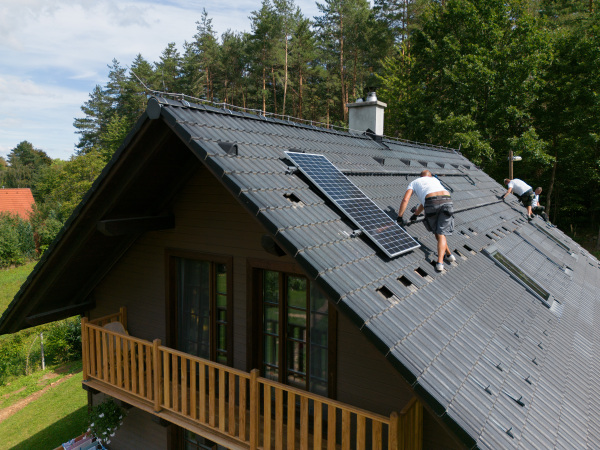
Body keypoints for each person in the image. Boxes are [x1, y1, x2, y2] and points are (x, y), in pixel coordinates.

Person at [397, 170, 455, 272]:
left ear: (420, 176)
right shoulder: (435, 180)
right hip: (447, 200)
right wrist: (415, 215)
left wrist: (400, 217)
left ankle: (440, 262)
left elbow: (405, 199)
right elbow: (425, 202)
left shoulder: (415, 182)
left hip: (431, 201)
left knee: (439, 233)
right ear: (430, 176)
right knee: (440, 231)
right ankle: (449, 254)